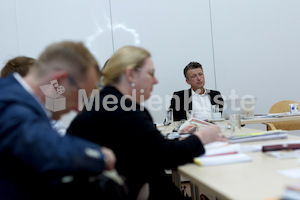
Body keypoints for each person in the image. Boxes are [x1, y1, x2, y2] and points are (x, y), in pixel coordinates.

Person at [67, 46, 227, 200]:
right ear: (130, 75)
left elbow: (153, 149)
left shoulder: (104, 102)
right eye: (150, 74)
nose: (156, 81)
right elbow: (166, 156)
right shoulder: (125, 110)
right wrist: (201, 137)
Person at [0, 41, 116, 199]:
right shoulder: (10, 104)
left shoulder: (17, 100)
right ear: (58, 82)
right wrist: (100, 155)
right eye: (79, 95)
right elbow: (47, 149)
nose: (79, 108)